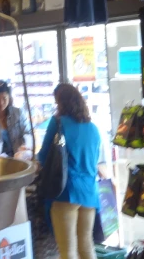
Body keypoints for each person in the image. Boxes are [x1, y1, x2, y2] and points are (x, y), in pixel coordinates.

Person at [38, 83, 102, 259]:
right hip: (89, 193)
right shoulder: (93, 128)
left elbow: (44, 156)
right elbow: (96, 160)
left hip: (66, 191)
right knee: (87, 246)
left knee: (68, 251)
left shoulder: (59, 123)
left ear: (61, 102)